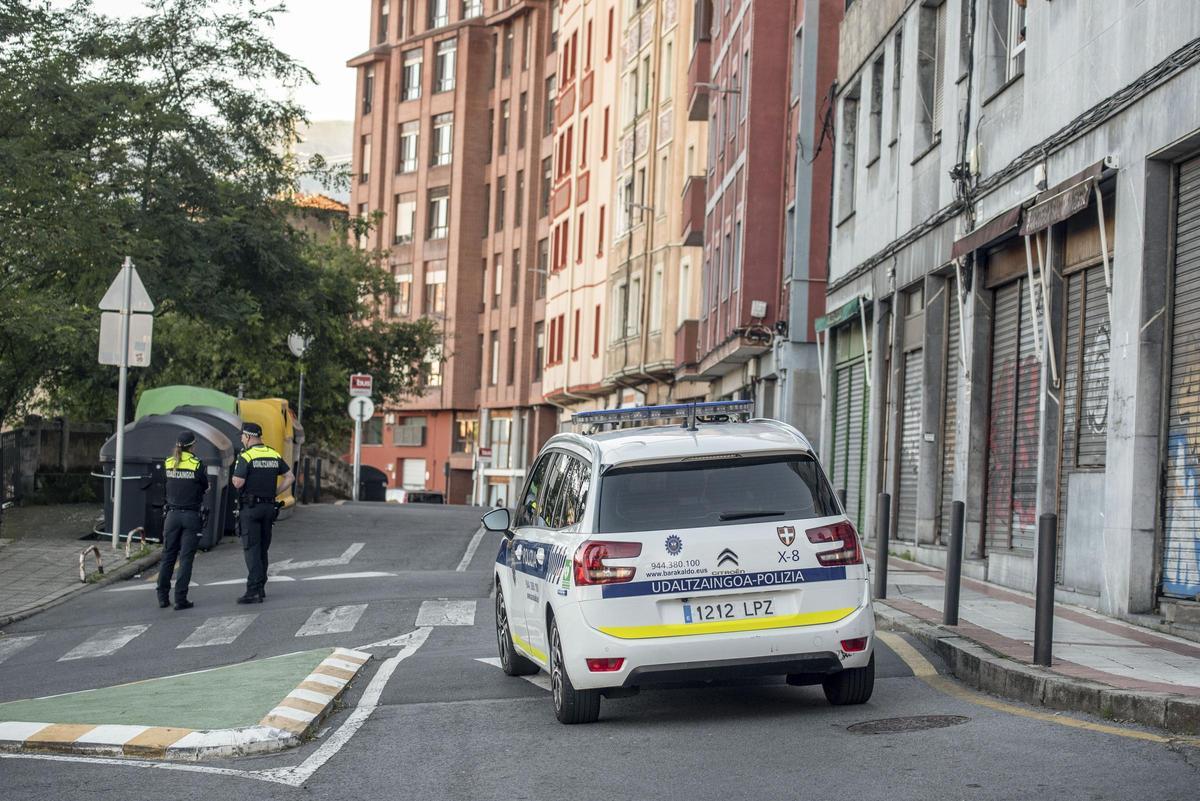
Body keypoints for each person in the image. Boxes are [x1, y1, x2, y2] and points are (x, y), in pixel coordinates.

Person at [232, 422, 293, 604]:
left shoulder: (246, 456)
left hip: (250, 509)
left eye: (242, 436)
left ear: (248, 437)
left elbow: (238, 483)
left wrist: (236, 474)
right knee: (262, 550)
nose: (242, 439)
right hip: (268, 508)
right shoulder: (273, 454)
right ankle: (261, 587)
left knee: (251, 549)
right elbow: (290, 476)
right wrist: (275, 492)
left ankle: (253, 591)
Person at [157, 431, 209, 611]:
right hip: (190, 516)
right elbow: (205, 486)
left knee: (168, 556)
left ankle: (162, 597)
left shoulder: (168, 462)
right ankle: (180, 599)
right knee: (186, 559)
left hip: (171, 516)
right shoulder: (197, 464)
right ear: (193, 446)